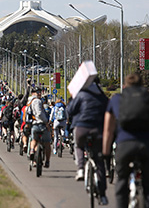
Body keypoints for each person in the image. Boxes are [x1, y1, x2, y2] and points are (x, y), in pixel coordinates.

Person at [103, 72, 149, 208]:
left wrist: (105, 153)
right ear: (142, 86)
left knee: (122, 182)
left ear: (124, 86)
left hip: (125, 144)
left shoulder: (116, 99)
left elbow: (108, 130)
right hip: (148, 144)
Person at [67, 70, 109, 203]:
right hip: (98, 130)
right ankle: (102, 195)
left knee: (78, 146)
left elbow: (70, 110)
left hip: (82, 128)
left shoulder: (81, 94)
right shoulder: (102, 96)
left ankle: (80, 169)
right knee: (99, 160)